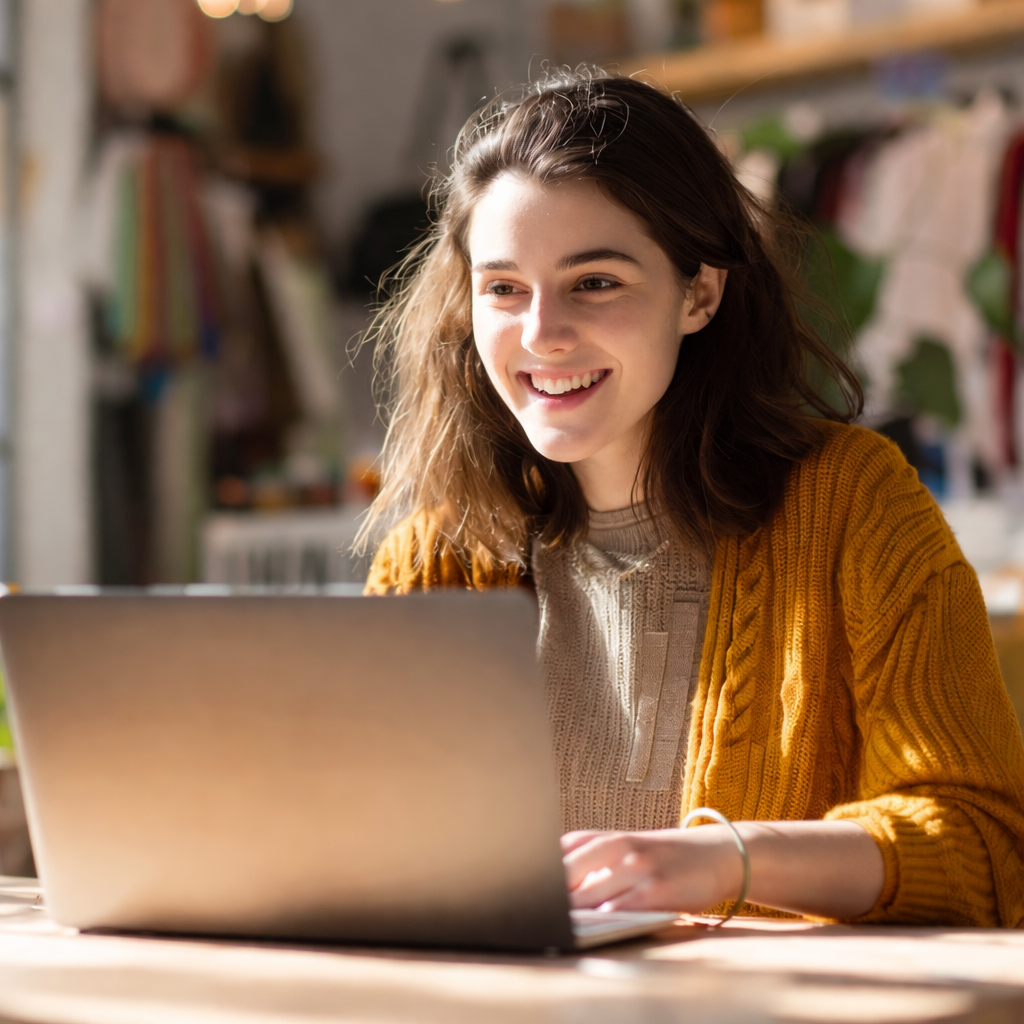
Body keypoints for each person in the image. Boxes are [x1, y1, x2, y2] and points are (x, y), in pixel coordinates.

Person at [360, 68, 1024, 926]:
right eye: (504, 289)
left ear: (700, 293)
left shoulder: (854, 505)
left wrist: (724, 862)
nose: (541, 334)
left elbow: (984, 847)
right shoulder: (434, 560)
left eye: (594, 282)